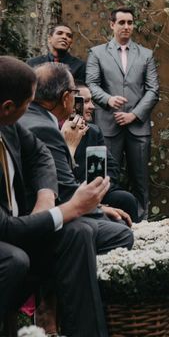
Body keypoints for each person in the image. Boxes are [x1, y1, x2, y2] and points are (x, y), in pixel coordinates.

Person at [0, 56, 118, 337]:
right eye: (29, 103)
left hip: (22, 224)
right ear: (7, 107)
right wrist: (71, 208)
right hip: (7, 238)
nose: (32, 110)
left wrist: (46, 197)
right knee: (17, 259)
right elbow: (5, 228)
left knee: (78, 233)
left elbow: (40, 156)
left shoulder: (9, 124)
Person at [86, 7, 159, 220]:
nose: (126, 27)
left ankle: (142, 223)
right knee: (104, 178)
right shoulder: (96, 53)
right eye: (121, 22)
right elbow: (91, 83)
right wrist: (108, 100)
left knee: (141, 179)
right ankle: (105, 221)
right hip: (107, 126)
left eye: (130, 22)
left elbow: (153, 89)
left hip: (138, 127)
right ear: (112, 25)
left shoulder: (146, 55)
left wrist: (134, 115)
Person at [71, 83, 139, 221]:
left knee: (127, 199)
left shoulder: (93, 131)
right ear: (71, 104)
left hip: (96, 189)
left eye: (92, 101)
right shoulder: (57, 131)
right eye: (85, 102)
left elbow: (111, 166)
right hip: (71, 192)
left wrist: (99, 188)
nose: (92, 106)